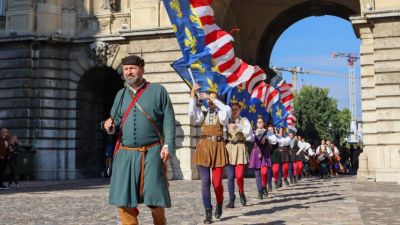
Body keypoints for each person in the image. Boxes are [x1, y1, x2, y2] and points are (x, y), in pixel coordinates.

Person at [102, 55, 175, 225]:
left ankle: (160, 221)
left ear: (142, 69)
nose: (129, 72)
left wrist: (167, 145)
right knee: (123, 199)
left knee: (154, 198)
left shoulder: (158, 91)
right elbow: (115, 121)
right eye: (126, 69)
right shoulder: (120, 94)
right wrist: (109, 126)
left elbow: (169, 121)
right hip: (125, 154)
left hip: (152, 152)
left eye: (132, 68)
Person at [189, 83, 231, 224]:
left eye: (213, 99)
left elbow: (226, 109)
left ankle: (219, 202)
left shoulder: (223, 113)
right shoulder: (203, 114)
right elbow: (192, 113)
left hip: (218, 147)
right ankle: (208, 211)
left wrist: (211, 97)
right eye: (208, 100)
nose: (210, 101)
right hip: (204, 147)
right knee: (205, 182)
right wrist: (192, 95)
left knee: (217, 183)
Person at [225, 103, 251, 208]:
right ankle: (231, 198)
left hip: (240, 148)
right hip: (230, 148)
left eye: (236, 109)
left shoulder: (244, 120)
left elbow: (248, 131)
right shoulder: (227, 120)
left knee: (239, 176)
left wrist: (237, 126)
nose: (234, 111)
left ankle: (241, 192)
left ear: (240, 110)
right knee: (230, 176)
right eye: (232, 109)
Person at [248, 117, 277, 199]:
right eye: (258, 122)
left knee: (264, 172)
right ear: (256, 124)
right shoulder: (253, 132)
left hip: (264, 153)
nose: (259, 123)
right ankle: (260, 191)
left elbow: (274, 140)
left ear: (264, 123)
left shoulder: (268, 132)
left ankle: (264, 186)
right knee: (257, 174)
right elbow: (249, 138)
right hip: (256, 153)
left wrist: (266, 137)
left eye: (261, 122)